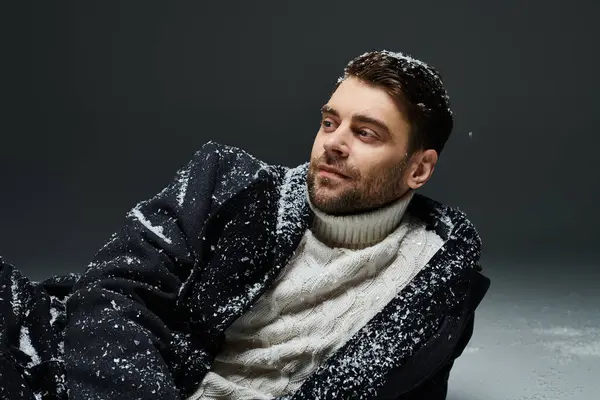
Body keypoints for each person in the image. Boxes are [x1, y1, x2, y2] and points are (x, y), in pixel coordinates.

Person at [0, 50, 490, 400]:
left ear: (419, 169)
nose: (334, 143)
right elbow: (113, 293)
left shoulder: (431, 281)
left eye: (365, 133)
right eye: (329, 122)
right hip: (90, 365)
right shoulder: (229, 184)